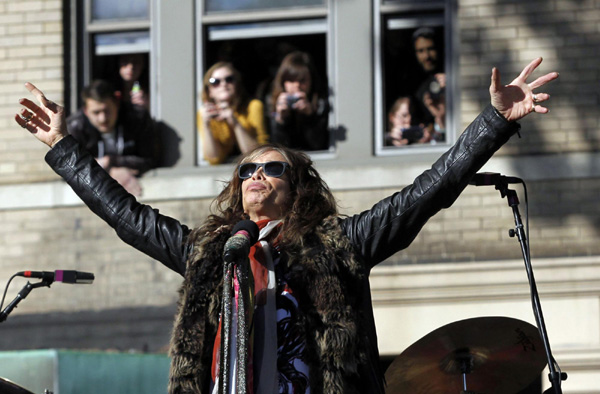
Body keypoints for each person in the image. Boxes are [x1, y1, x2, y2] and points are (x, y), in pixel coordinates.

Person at [15, 57, 558, 393]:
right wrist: (64, 147)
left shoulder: (341, 245)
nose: (255, 175)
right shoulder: (210, 250)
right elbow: (125, 215)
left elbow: (427, 193)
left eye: (270, 167)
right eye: (246, 169)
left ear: (296, 187)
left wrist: (492, 123)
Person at [66, 79, 160, 196]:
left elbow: (151, 159)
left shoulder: (137, 117)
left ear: (117, 104)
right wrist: (111, 172)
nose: (103, 118)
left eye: (107, 111)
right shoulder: (75, 126)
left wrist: (110, 161)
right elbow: (70, 169)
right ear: (86, 111)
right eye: (96, 112)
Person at [198, 62, 268, 165]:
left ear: (237, 84)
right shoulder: (205, 114)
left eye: (229, 79)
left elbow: (259, 155)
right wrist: (206, 125)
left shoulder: (253, 106)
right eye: (215, 82)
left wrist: (236, 124)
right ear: (209, 91)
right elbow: (214, 159)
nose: (223, 84)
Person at [269, 51, 329, 151]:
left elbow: (318, 145)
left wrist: (309, 116)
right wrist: (280, 121)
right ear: (283, 82)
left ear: (311, 81)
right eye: (291, 80)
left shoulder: (320, 105)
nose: (297, 85)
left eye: (302, 80)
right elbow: (277, 150)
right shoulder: (271, 103)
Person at [412, 27, 446, 141]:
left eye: (431, 49)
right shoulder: (415, 86)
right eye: (421, 51)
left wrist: (453, 85)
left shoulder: (450, 76)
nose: (427, 56)